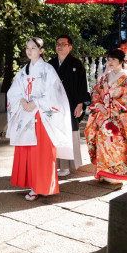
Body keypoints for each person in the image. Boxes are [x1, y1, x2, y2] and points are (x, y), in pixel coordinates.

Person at [7, 37, 73, 201]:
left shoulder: (48, 70)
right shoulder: (24, 71)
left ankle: (41, 186)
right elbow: (14, 91)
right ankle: (33, 185)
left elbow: (54, 92)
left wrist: (36, 103)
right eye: (28, 48)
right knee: (28, 152)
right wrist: (22, 101)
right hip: (26, 114)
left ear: (41, 51)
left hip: (41, 116)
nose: (29, 51)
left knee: (42, 152)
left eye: (33, 48)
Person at [85, 49, 127, 184]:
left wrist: (116, 104)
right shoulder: (105, 77)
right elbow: (96, 93)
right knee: (102, 143)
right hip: (103, 116)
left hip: (119, 118)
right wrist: (98, 105)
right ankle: (103, 171)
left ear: (122, 62)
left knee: (118, 144)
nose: (110, 62)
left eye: (114, 60)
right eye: (109, 60)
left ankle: (118, 173)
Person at [48, 35, 91, 177]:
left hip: (71, 104)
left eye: (63, 44)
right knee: (53, 134)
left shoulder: (76, 63)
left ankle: (66, 166)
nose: (59, 46)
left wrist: (80, 104)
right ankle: (53, 163)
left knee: (68, 134)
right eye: (57, 44)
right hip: (54, 105)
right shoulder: (50, 64)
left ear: (70, 47)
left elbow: (82, 86)